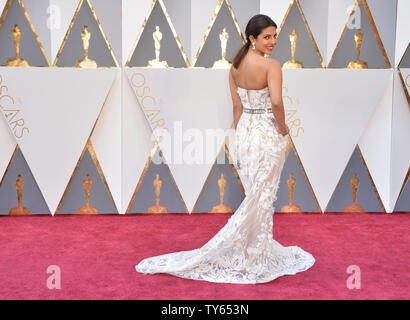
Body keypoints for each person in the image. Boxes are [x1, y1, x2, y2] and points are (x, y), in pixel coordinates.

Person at [135, 14, 315, 284]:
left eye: (275, 35)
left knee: (257, 195)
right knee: (262, 198)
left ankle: (255, 251)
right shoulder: (272, 66)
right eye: (267, 36)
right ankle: (255, 258)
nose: (273, 41)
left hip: (245, 135)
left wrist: (241, 136)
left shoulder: (235, 67)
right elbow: (277, 103)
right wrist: (282, 127)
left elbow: (237, 108)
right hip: (266, 134)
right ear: (252, 39)